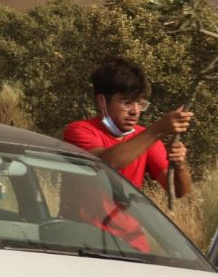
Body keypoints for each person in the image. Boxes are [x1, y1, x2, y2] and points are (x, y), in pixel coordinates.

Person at [62, 56, 193, 198]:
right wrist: (158, 129)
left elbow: (179, 192)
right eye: (127, 102)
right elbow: (106, 163)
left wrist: (180, 165)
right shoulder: (78, 131)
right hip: (82, 221)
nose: (135, 111)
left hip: (130, 220)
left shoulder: (146, 138)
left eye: (140, 103)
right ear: (102, 101)